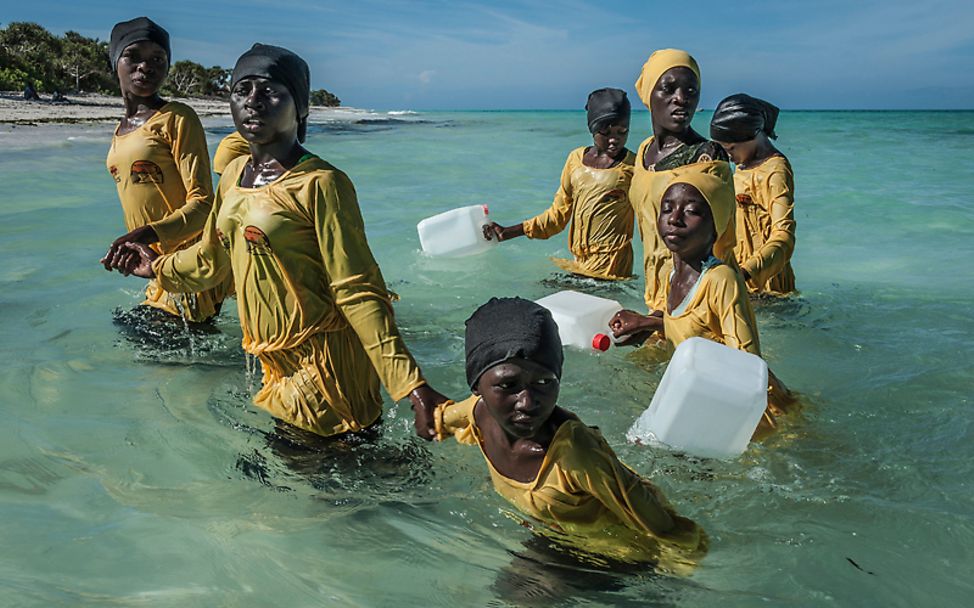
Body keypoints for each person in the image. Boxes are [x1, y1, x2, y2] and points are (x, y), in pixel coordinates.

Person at [103, 43, 447, 440]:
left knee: (328, 490)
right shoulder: (233, 175)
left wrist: (412, 388)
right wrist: (156, 267)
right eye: (242, 89)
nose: (254, 101)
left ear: (300, 107)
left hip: (329, 368)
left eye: (271, 91)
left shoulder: (321, 183)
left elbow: (358, 291)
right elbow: (212, 261)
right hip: (276, 367)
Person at [434, 297, 706, 573]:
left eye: (544, 382)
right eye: (508, 385)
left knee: (519, 591)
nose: (527, 402)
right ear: (477, 385)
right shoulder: (477, 413)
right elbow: (434, 422)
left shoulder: (575, 452)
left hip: (615, 552)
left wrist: (678, 573)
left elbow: (661, 523)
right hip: (552, 532)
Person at [610, 164, 795, 431]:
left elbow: (745, 366)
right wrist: (647, 325)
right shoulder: (672, 276)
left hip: (758, 416)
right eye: (667, 209)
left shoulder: (721, 279)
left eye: (692, 211)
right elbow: (698, 331)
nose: (675, 219)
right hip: (703, 398)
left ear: (716, 226)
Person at [101, 17, 231, 325]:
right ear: (115, 62)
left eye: (157, 59)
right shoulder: (119, 131)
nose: (145, 67)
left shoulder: (177, 118)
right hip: (156, 268)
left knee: (157, 356)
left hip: (190, 263)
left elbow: (203, 205)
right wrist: (137, 248)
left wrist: (147, 233)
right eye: (134, 56)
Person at [483, 89, 636, 280]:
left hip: (612, 269)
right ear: (592, 128)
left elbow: (652, 218)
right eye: (605, 132)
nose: (614, 140)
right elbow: (557, 217)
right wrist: (508, 232)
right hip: (581, 263)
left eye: (622, 132)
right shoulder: (575, 160)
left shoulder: (633, 168)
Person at [629, 49, 733, 318]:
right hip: (654, 297)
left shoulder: (706, 157)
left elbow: (712, 248)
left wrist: (661, 317)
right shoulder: (643, 152)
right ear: (649, 94)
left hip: (695, 302)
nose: (682, 99)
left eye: (691, 91)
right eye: (669, 88)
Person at [710, 94, 797, 296]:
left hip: (767, 285)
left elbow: (784, 236)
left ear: (753, 135)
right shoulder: (742, 165)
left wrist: (746, 273)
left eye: (731, 148)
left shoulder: (775, 170)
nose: (728, 156)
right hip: (736, 276)